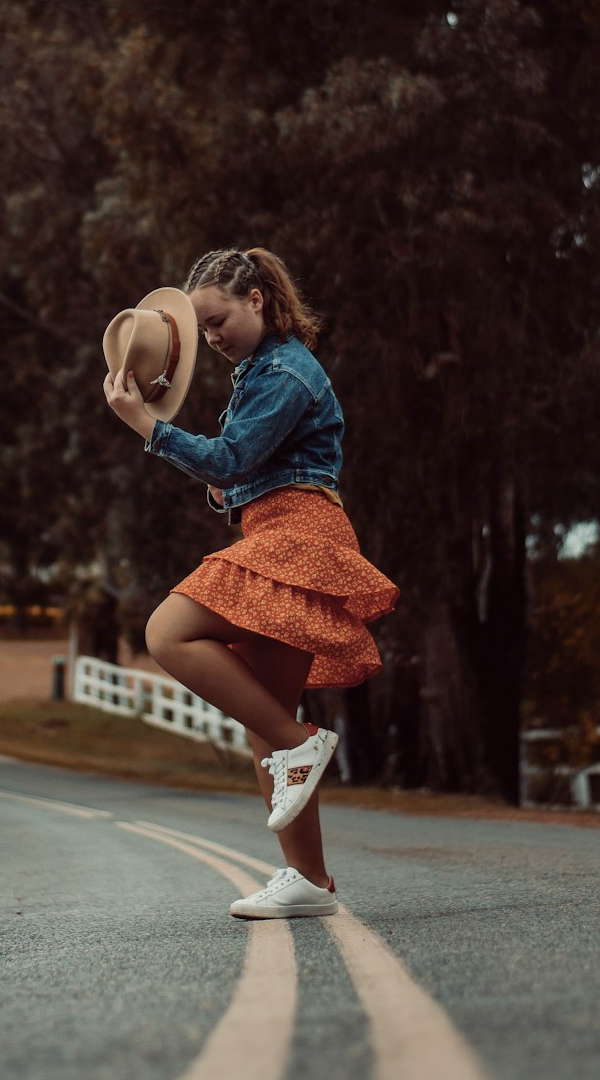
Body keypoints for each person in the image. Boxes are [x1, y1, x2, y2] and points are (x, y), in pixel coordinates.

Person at [102, 247, 398, 920]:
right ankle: (310, 880)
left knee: (167, 632)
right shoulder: (259, 371)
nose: (212, 339)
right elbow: (232, 477)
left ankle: (303, 746)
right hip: (273, 531)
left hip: (300, 533)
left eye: (218, 321)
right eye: (202, 332)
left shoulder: (288, 372)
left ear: (257, 300)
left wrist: (149, 429)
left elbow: (231, 460)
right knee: (265, 717)